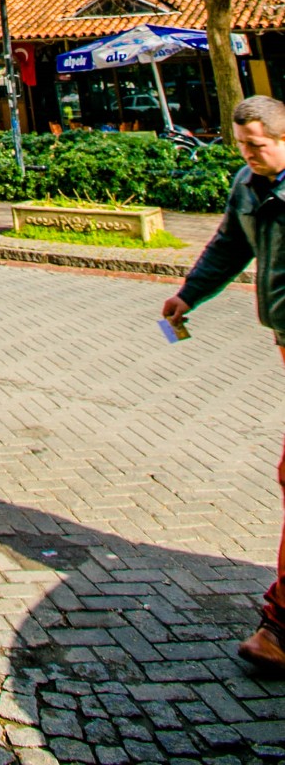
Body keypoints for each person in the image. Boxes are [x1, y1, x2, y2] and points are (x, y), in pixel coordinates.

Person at [162, 94, 285, 671]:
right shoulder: (247, 184)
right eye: (243, 146)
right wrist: (189, 293)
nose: (249, 155)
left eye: (258, 146)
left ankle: (279, 626)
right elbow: (230, 245)